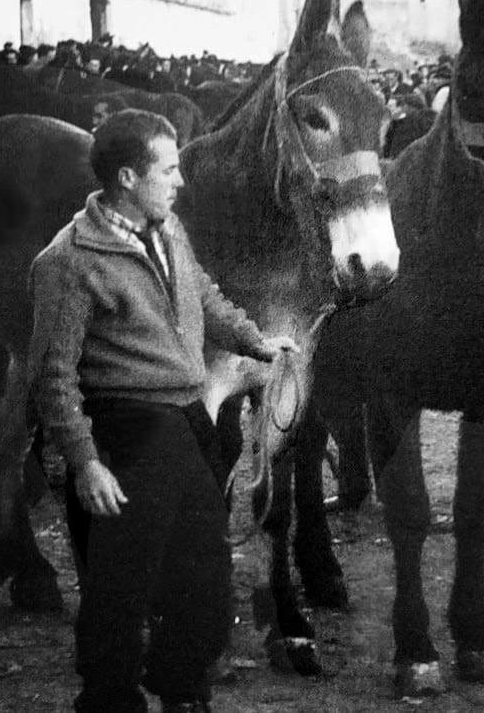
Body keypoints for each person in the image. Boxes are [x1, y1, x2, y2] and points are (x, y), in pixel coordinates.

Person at [30, 109, 296, 713]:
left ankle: (182, 688)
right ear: (128, 177)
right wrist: (86, 463)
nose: (180, 182)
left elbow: (203, 294)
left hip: (187, 424)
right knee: (120, 588)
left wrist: (256, 341)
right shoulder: (67, 262)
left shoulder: (169, 228)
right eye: (169, 170)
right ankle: (109, 698)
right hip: (127, 431)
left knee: (205, 577)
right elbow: (53, 378)